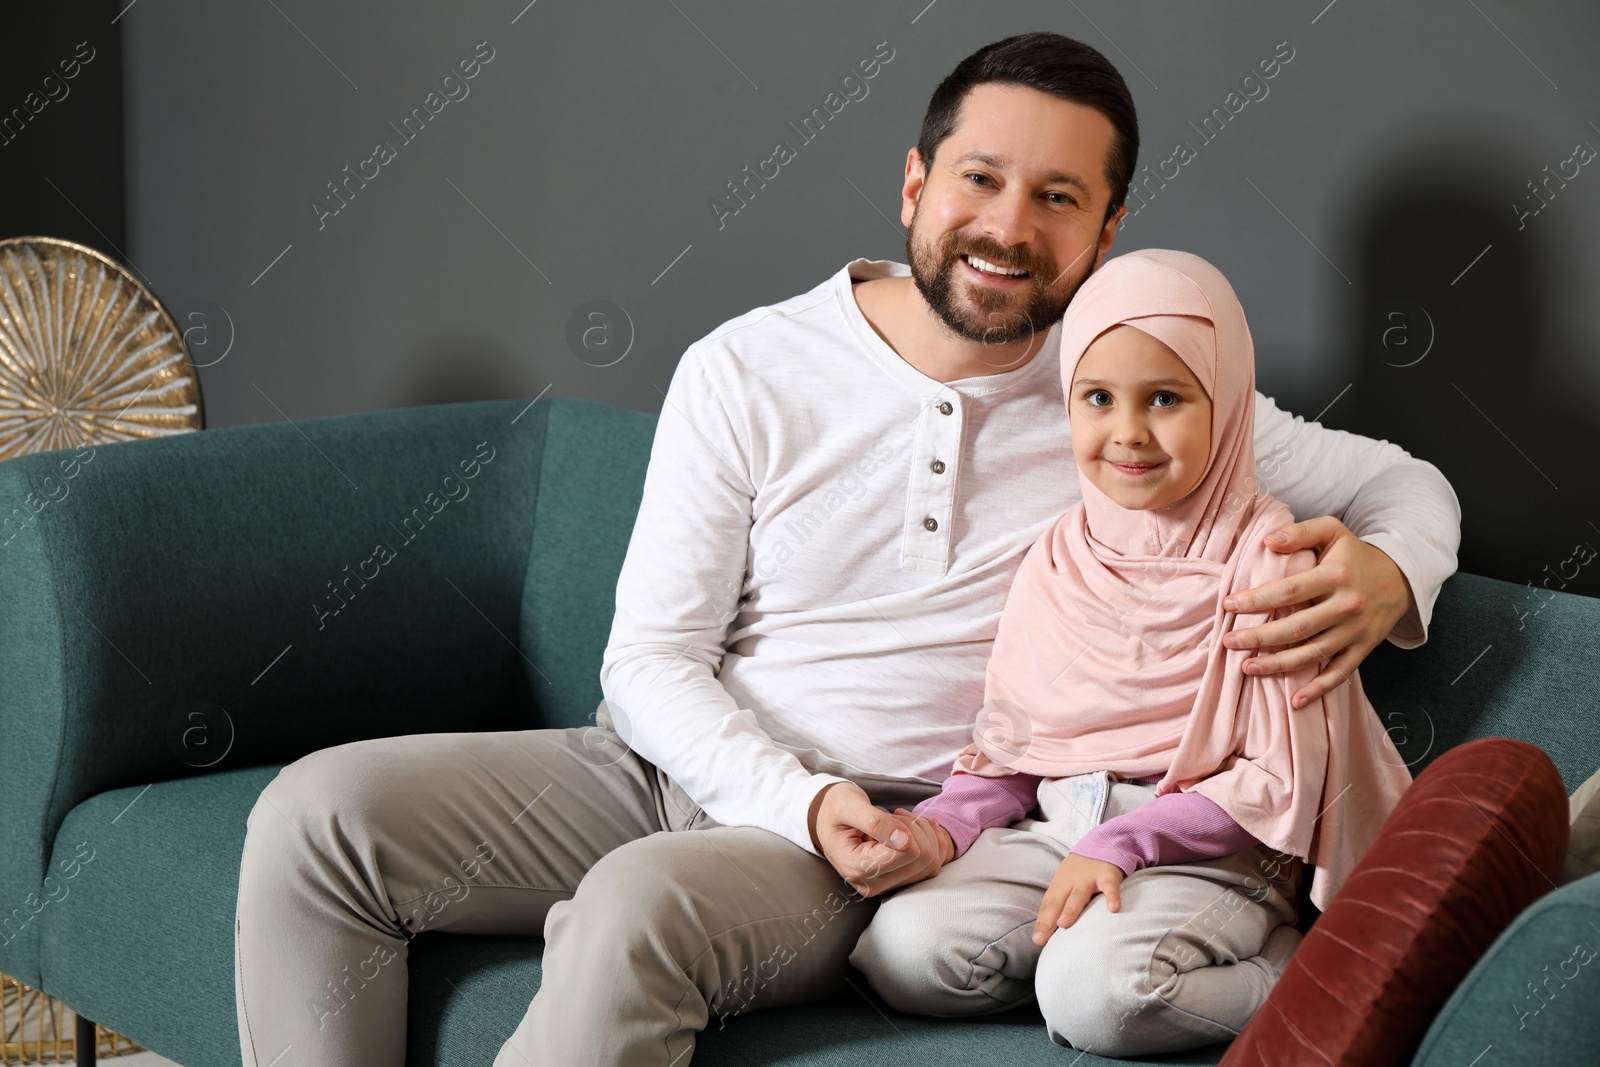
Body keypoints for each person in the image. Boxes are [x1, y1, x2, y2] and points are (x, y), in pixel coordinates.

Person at [232, 31, 1459, 1067]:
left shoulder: (1130, 393)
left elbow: (1408, 484)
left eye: (1057, 198)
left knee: (633, 909)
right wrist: (788, 791)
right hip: (673, 764)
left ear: (1107, 229)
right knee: (317, 815)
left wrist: (1387, 569)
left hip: (902, 831)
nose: (1008, 227)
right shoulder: (749, 366)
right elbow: (648, 663)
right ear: (915, 182)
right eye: (980, 178)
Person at [850, 247, 1414, 1057]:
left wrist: (1123, 841)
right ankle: (1073, 970)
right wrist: (939, 828)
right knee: (898, 952)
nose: (1128, 433)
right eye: (1098, 398)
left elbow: (1276, 781)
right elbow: (1014, 745)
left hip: (1211, 856)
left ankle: (1295, 972)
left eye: (1166, 398)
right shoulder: (1058, 556)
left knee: (1104, 997)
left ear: (1224, 402)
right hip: (1054, 837)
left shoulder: (1273, 564)